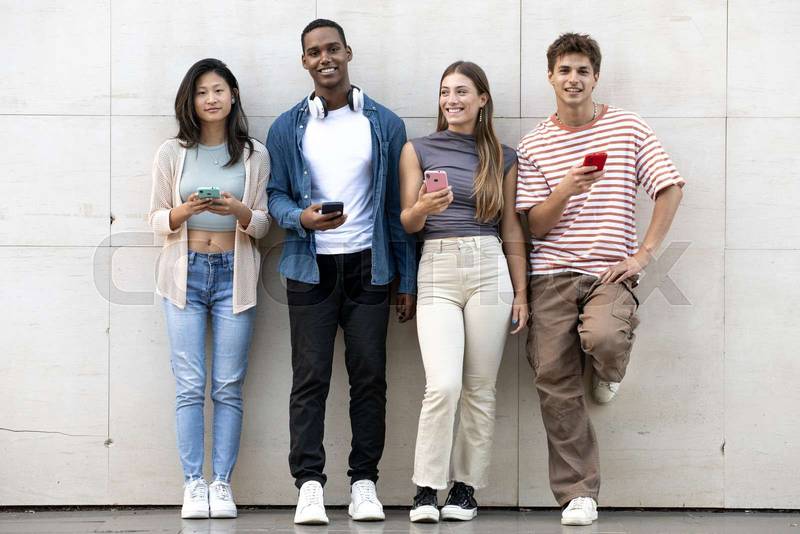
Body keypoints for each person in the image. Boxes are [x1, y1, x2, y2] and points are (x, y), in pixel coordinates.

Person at [516, 33, 685, 526]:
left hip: (609, 272)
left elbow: (669, 187)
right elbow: (534, 225)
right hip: (550, 275)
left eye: (582, 71)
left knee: (605, 338)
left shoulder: (628, 127)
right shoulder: (534, 143)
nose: (573, 79)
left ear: (595, 77)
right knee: (552, 377)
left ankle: (609, 371)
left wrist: (644, 254)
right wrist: (568, 187)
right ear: (551, 77)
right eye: (564, 70)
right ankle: (578, 495)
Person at [265, 19, 417, 525]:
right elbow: (276, 196)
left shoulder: (384, 124)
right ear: (304, 61)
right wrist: (300, 217)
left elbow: (398, 208)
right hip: (310, 269)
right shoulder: (287, 126)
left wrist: (406, 280)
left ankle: (364, 484)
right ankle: (308, 484)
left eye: (332, 48)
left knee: (369, 377)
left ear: (348, 52)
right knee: (309, 378)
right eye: (313, 52)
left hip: (370, 267)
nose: (324, 58)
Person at [400, 61, 529, 523]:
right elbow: (407, 223)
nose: (451, 100)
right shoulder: (417, 149)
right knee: (444, 385)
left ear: (482, 99)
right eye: (444, 92)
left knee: (479, 387)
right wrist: (422, 206)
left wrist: (521, 292)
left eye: (461, 92)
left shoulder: (503, 155)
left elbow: (512, 227)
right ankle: (425, 489)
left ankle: (465, 488)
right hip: (435, 263)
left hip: (489, 264)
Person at [148, 58, 270, 519]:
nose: (211, 99)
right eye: (202, 92)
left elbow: (261, 225)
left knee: (228, 385)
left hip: (233, 275)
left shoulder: (255, 154)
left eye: (219, 90)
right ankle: (193, 484)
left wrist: (237, 209)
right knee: (189, 385)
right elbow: (156, 218)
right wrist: (185, 210)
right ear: (191, 101)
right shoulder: (171, 153)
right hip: (184, 274)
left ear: (233, 95)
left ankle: (222, 484)